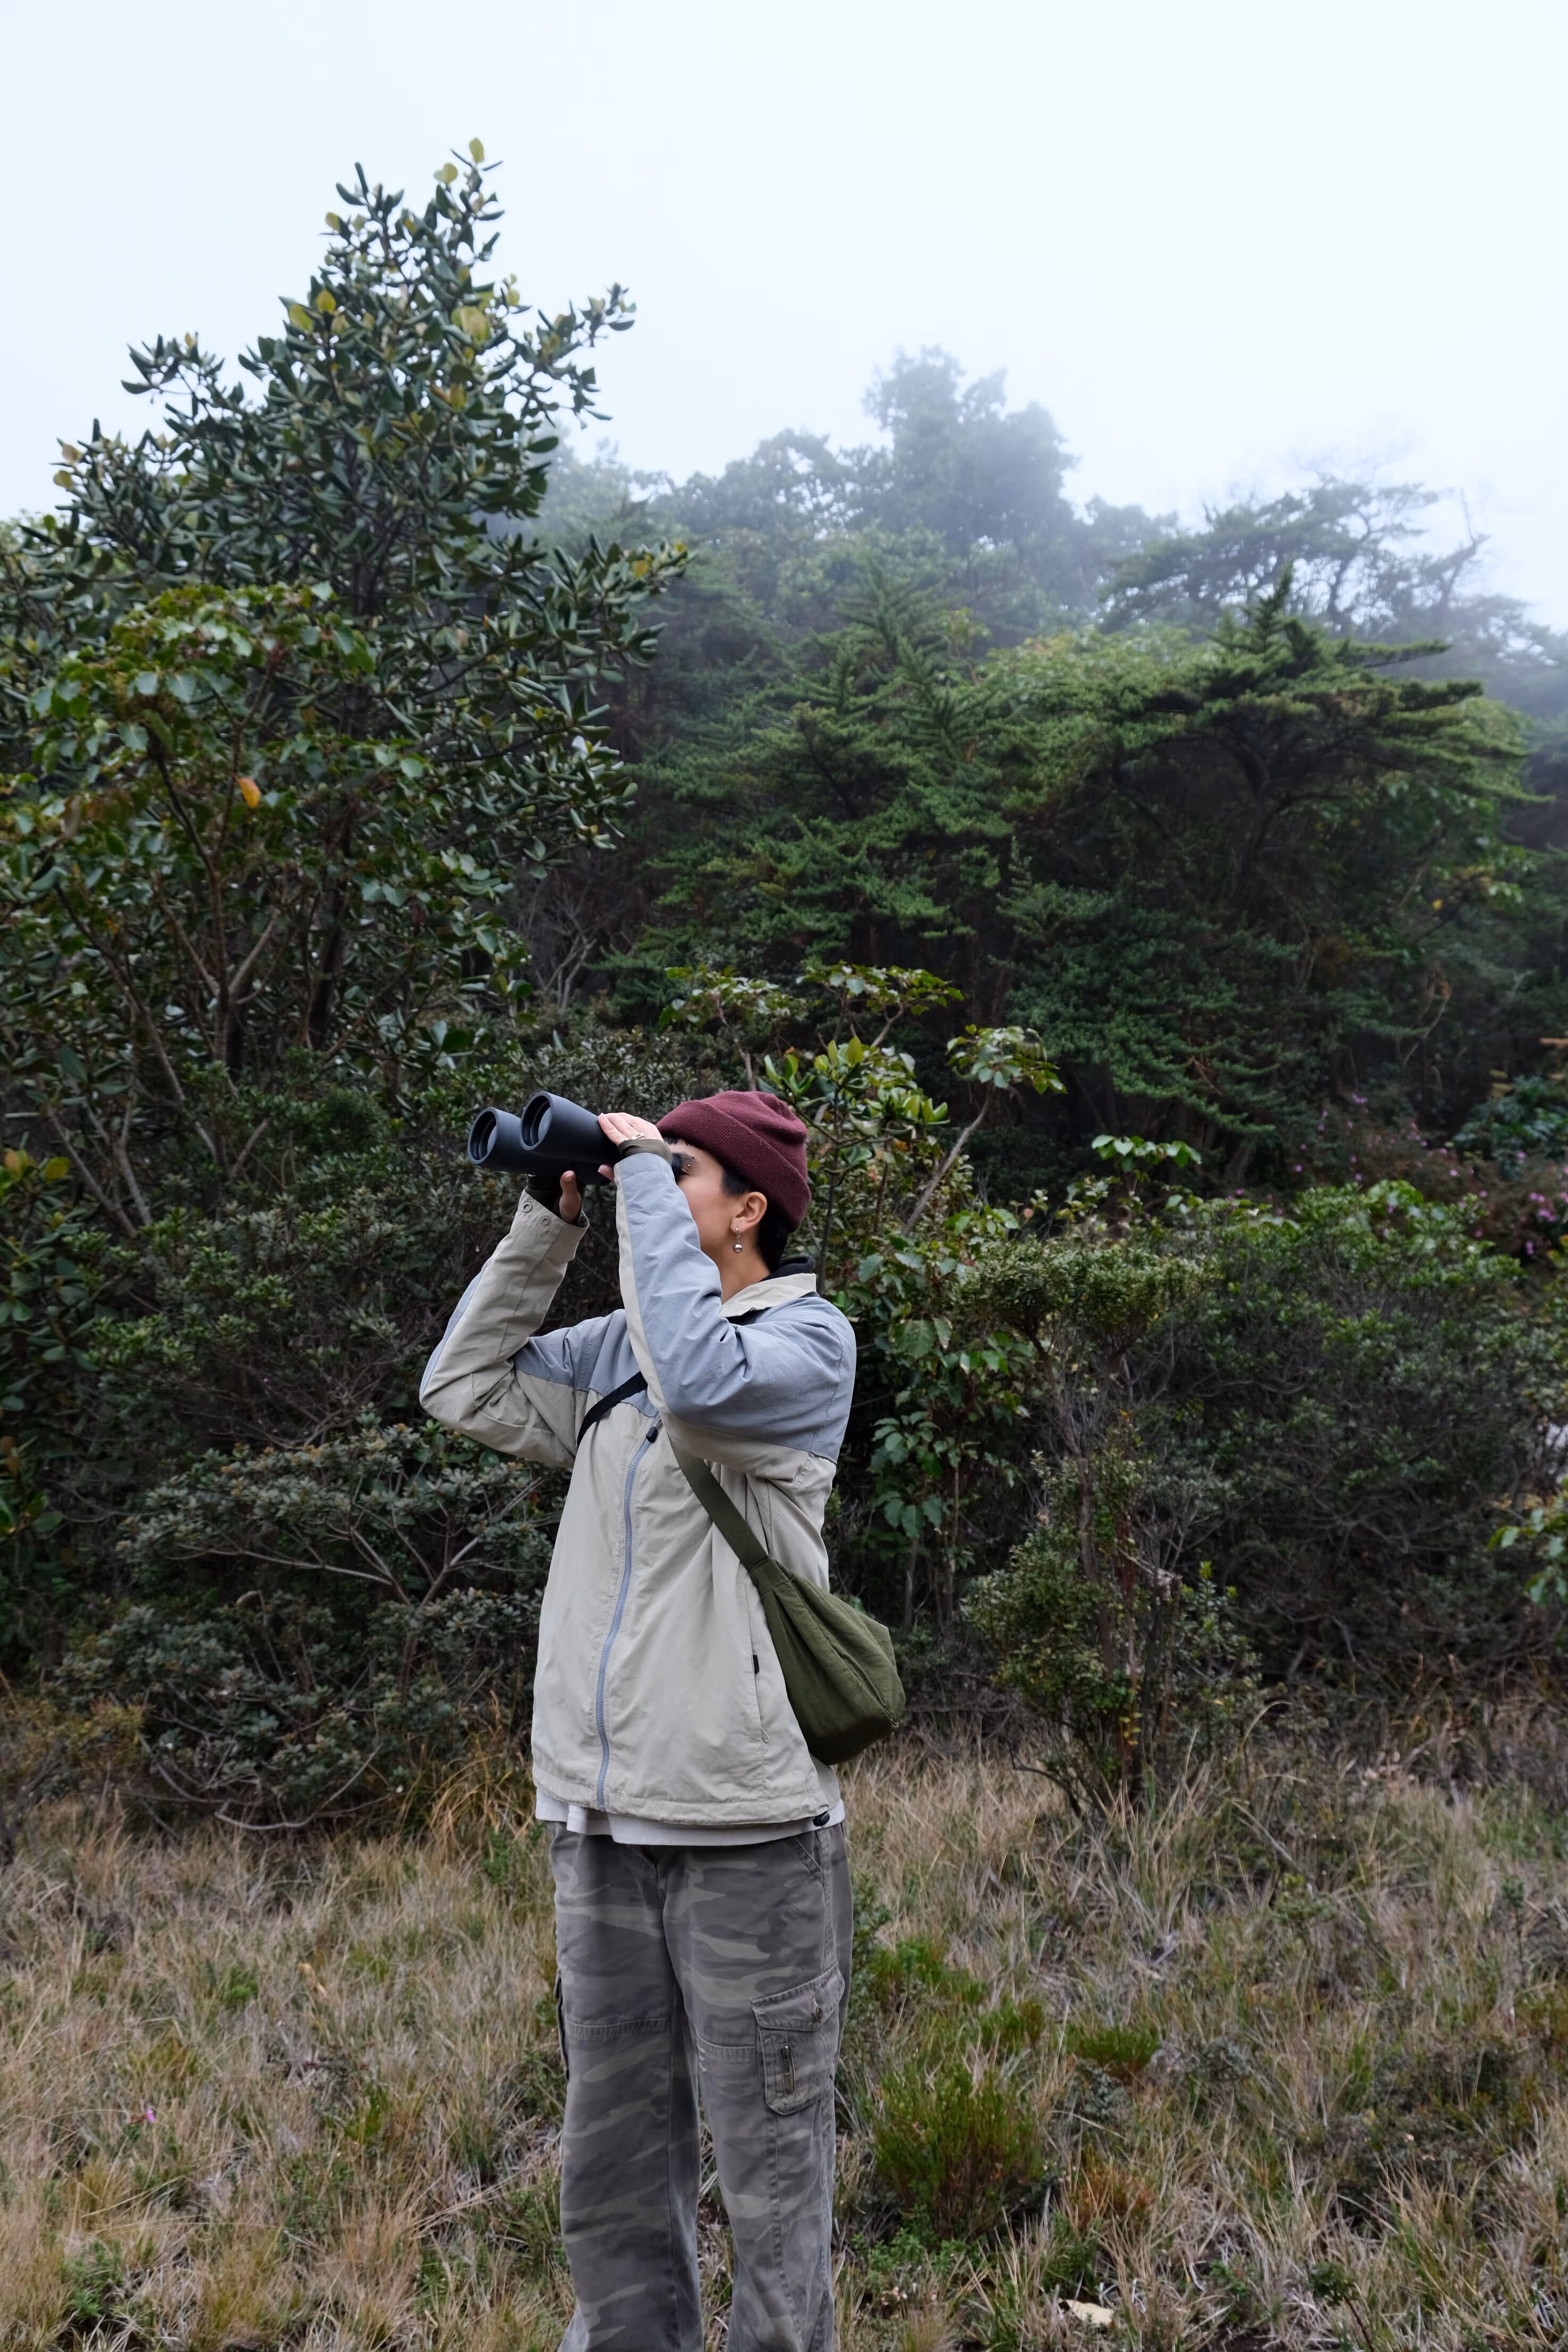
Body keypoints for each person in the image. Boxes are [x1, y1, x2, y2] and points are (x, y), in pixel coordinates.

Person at [420, 1090, 858, 2352]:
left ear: (748, 1209)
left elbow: (705, 1389)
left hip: (746, 1835)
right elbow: (461, 1384)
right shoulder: (624, 1348)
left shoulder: (803, 1344)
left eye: (686, 1175)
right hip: (600, 1822)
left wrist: (642, 1186)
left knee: (769, 2177)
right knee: (609, 2163)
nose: (655, 1193)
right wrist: (543, 1226)